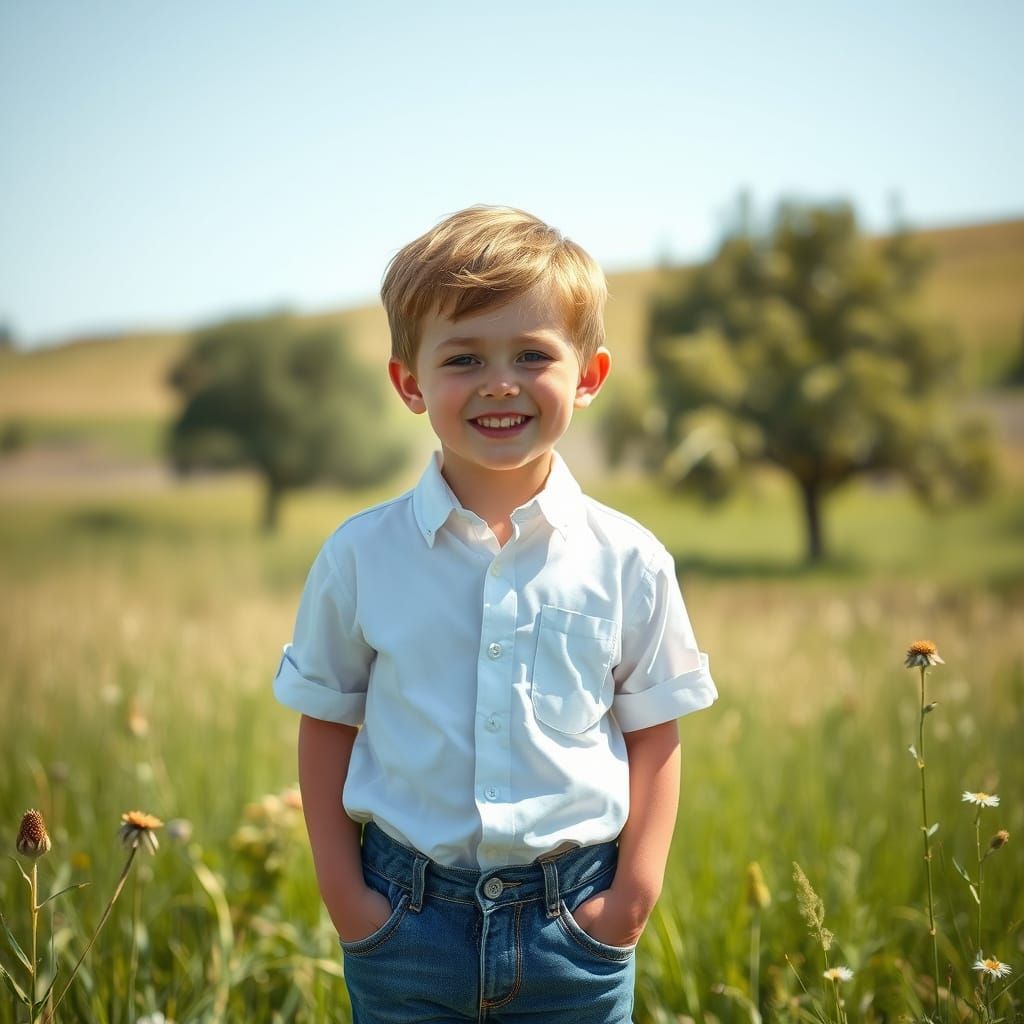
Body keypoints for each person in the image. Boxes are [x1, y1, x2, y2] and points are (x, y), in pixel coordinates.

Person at [273, 206, 717, 1022]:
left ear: (589, 376)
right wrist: (348, 900)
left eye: (533, 355)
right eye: (464, 357)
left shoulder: (629, 559)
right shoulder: (361, 555)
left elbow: (655, 731)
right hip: (403, 922)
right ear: (410, 383)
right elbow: (327, 722)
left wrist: (630, 902)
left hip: (574, 930)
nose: (499, 382)